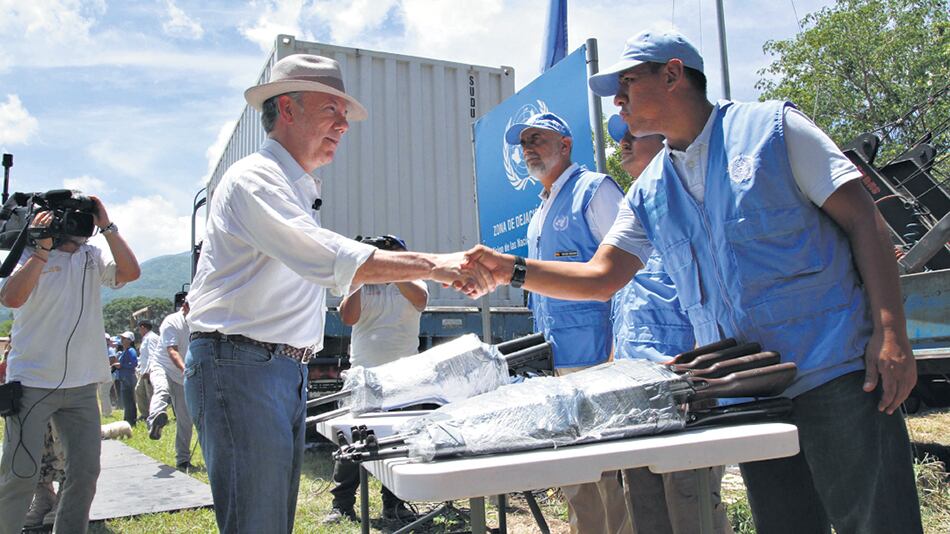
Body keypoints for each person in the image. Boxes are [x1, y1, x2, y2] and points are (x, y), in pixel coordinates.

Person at [465, 29, 922, 534]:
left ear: (673, 74)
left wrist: (891, 335)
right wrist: (513, 270)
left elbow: (866, 223)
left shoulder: (773, 129)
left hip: (837, 373)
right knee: (786, 524)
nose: (617, 100)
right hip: (751, 390)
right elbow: (601, 278)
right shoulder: (651, 187)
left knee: (878, 522)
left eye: (627, 82)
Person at [184, 53, 489, 533]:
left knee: (269, 521)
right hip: (241, 365)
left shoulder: (294, 186)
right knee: (257, 523)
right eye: (332, 109)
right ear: (287, 109)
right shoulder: (255, 179)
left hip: (274, 367)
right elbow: (322, 255)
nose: (344, 124)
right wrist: (436, 265)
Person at [504, 112, 630, 534]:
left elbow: (633, 271)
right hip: (559, 364)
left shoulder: (593, 190)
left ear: (566, 144)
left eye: (538, 138)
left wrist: (619, 354)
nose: (528, 149)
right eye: (524, 143)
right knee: (576, 474)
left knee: (613, 474)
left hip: (601, 360)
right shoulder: (540, 210)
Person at [606, 114, 730, 534]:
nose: (621, 144)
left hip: (683, 388)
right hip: (632, 391)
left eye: (631, 135)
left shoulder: (690, 208)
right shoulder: (633, 215)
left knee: (691, 505)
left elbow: (712, 297)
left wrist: (698, 377)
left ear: (664, 141)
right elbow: (625, 310)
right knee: (643, 504)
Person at [0, 196, 140, 534]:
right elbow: (11, 298)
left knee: (85, 472)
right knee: (20, 471)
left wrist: (107, 226)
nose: (79, 227)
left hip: (81, 385)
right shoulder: (29, 254)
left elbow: (131, 272)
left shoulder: (92, 256)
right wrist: (41, 251)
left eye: (84, 219)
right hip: (33, 381)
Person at [326, 235, 427, 525]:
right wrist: (361, 273)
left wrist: (393, 268)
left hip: (404, 377)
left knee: (399, 442)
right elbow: (348, 317)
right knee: (350, 442)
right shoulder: (361, 284)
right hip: (364, 376)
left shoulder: (414, 280)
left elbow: (420, 301)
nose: (387, 258)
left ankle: (394, 504)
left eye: (392, 254)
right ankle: (342, 504)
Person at [150, 300, 193, 470]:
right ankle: (155, 419)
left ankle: (183, 460)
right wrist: (185, 369)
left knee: (186, 418)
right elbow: (172, 351)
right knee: (162, 390)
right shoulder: (171, 321)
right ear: (185, 307)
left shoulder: (199, 324)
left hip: (181, 376)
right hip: (162, 366)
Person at [136, 320, 160, 426]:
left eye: (139, 329)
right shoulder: (146, 338)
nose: (139, 331)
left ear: (143, 327)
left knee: (150, 393)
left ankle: (154, 415)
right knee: (139, 391)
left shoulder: (151, 338)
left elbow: (153, 354)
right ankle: (145, 413)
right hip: (143, 370)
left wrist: (150, 370)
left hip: (149, 371)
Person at [114, 331, 138, 428]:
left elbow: (134, 363)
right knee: (127, 400)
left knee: (129, 400)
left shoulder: (131, 351)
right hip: (124, 378)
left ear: (130, 340)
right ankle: (128, 419)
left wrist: (121, 365)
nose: (122, 340)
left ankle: (130, 420)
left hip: (128, 378)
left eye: (124, 339)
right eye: (122, 339)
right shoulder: (125, 351)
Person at [98, 333, 115, 417]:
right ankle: (104, 411)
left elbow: (112, 360)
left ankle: (107, 412)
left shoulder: (110, 350)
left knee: (104, 393)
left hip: (109, 374)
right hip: (102, 374)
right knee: (101, 394)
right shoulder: (101, 350)